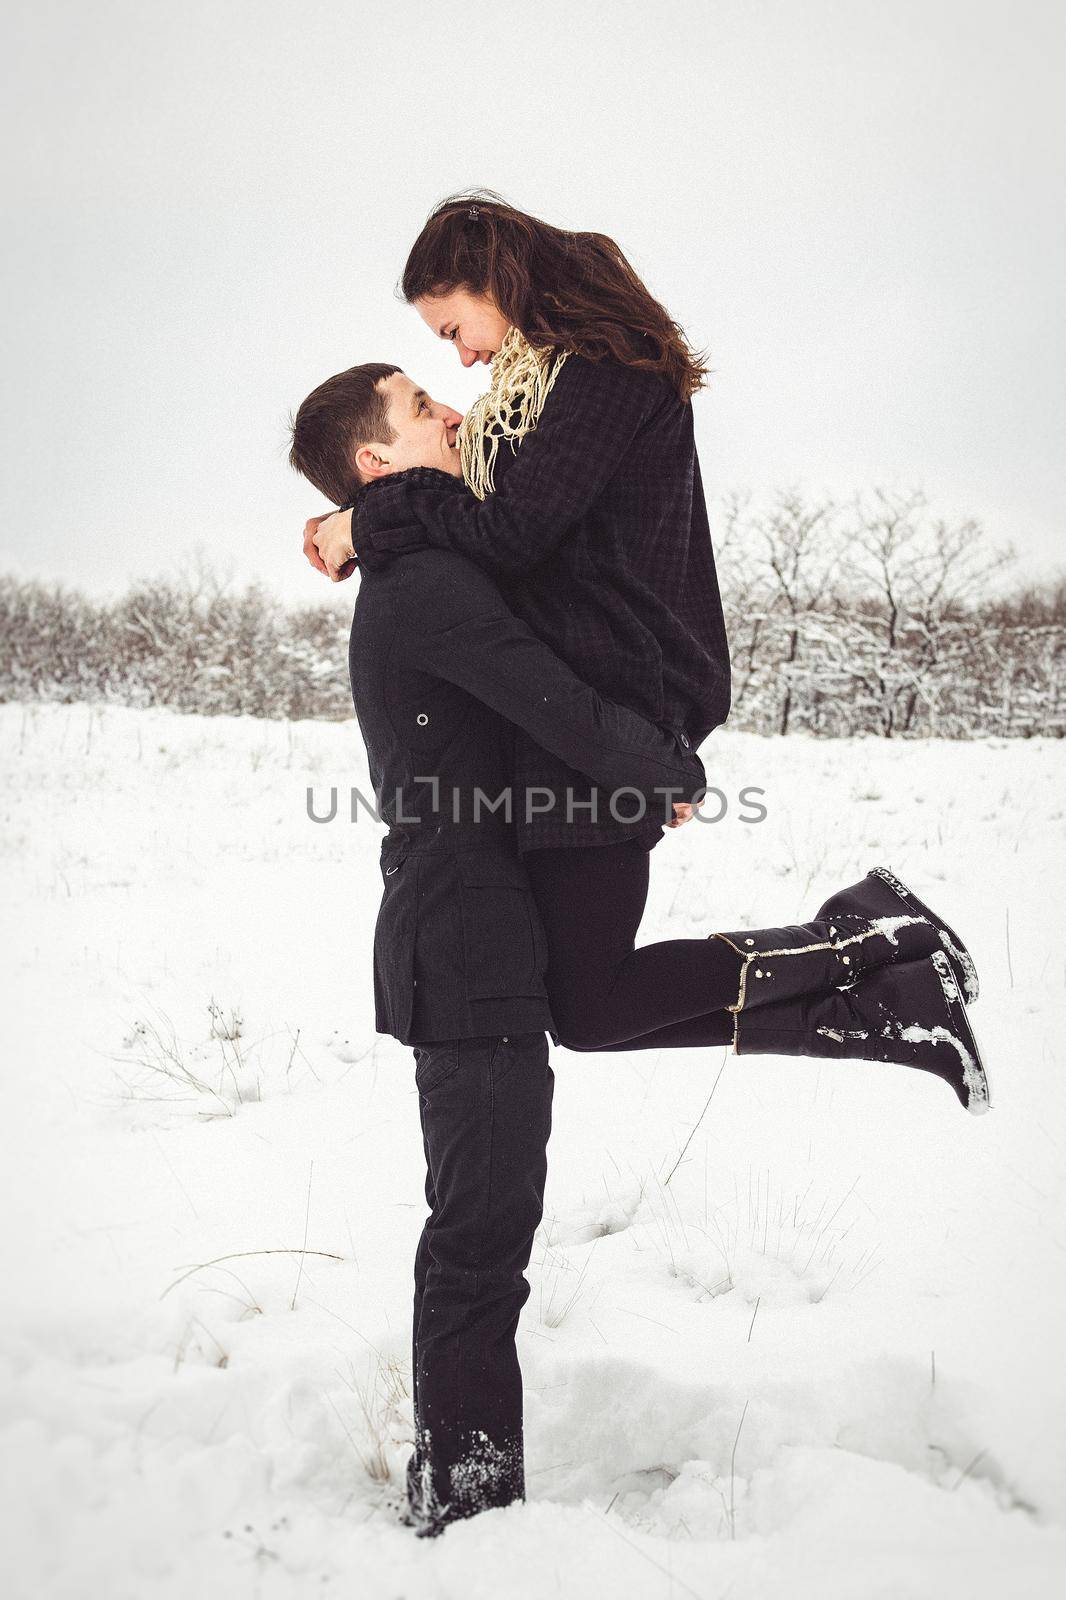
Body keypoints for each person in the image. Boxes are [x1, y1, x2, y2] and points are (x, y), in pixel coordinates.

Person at [290, 359, 991, 1536]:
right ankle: (466, 1506)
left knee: (559, 1086)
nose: (452, 410)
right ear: (374, 460)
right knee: (478, 1237)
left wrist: (353, 521)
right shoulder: (419, 585)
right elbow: (543, 695)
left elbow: (539, 569)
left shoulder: (423, 552)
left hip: (483, 921)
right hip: (460, 937)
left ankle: (874, 962)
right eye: (423, 407)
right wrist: (662, 767)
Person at [303, 196, 988, 1096]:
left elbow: (508, 534)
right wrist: (368, 511)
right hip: (580, 715)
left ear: (496, 280)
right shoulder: (538, 386)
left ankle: (866, 941)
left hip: (615, 697)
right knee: (584, 1007)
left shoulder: (603, 372)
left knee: (589, 1003)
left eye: (454, 326)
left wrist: (372, 512)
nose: (462, 355)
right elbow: (472, 526)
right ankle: (882, 1007)